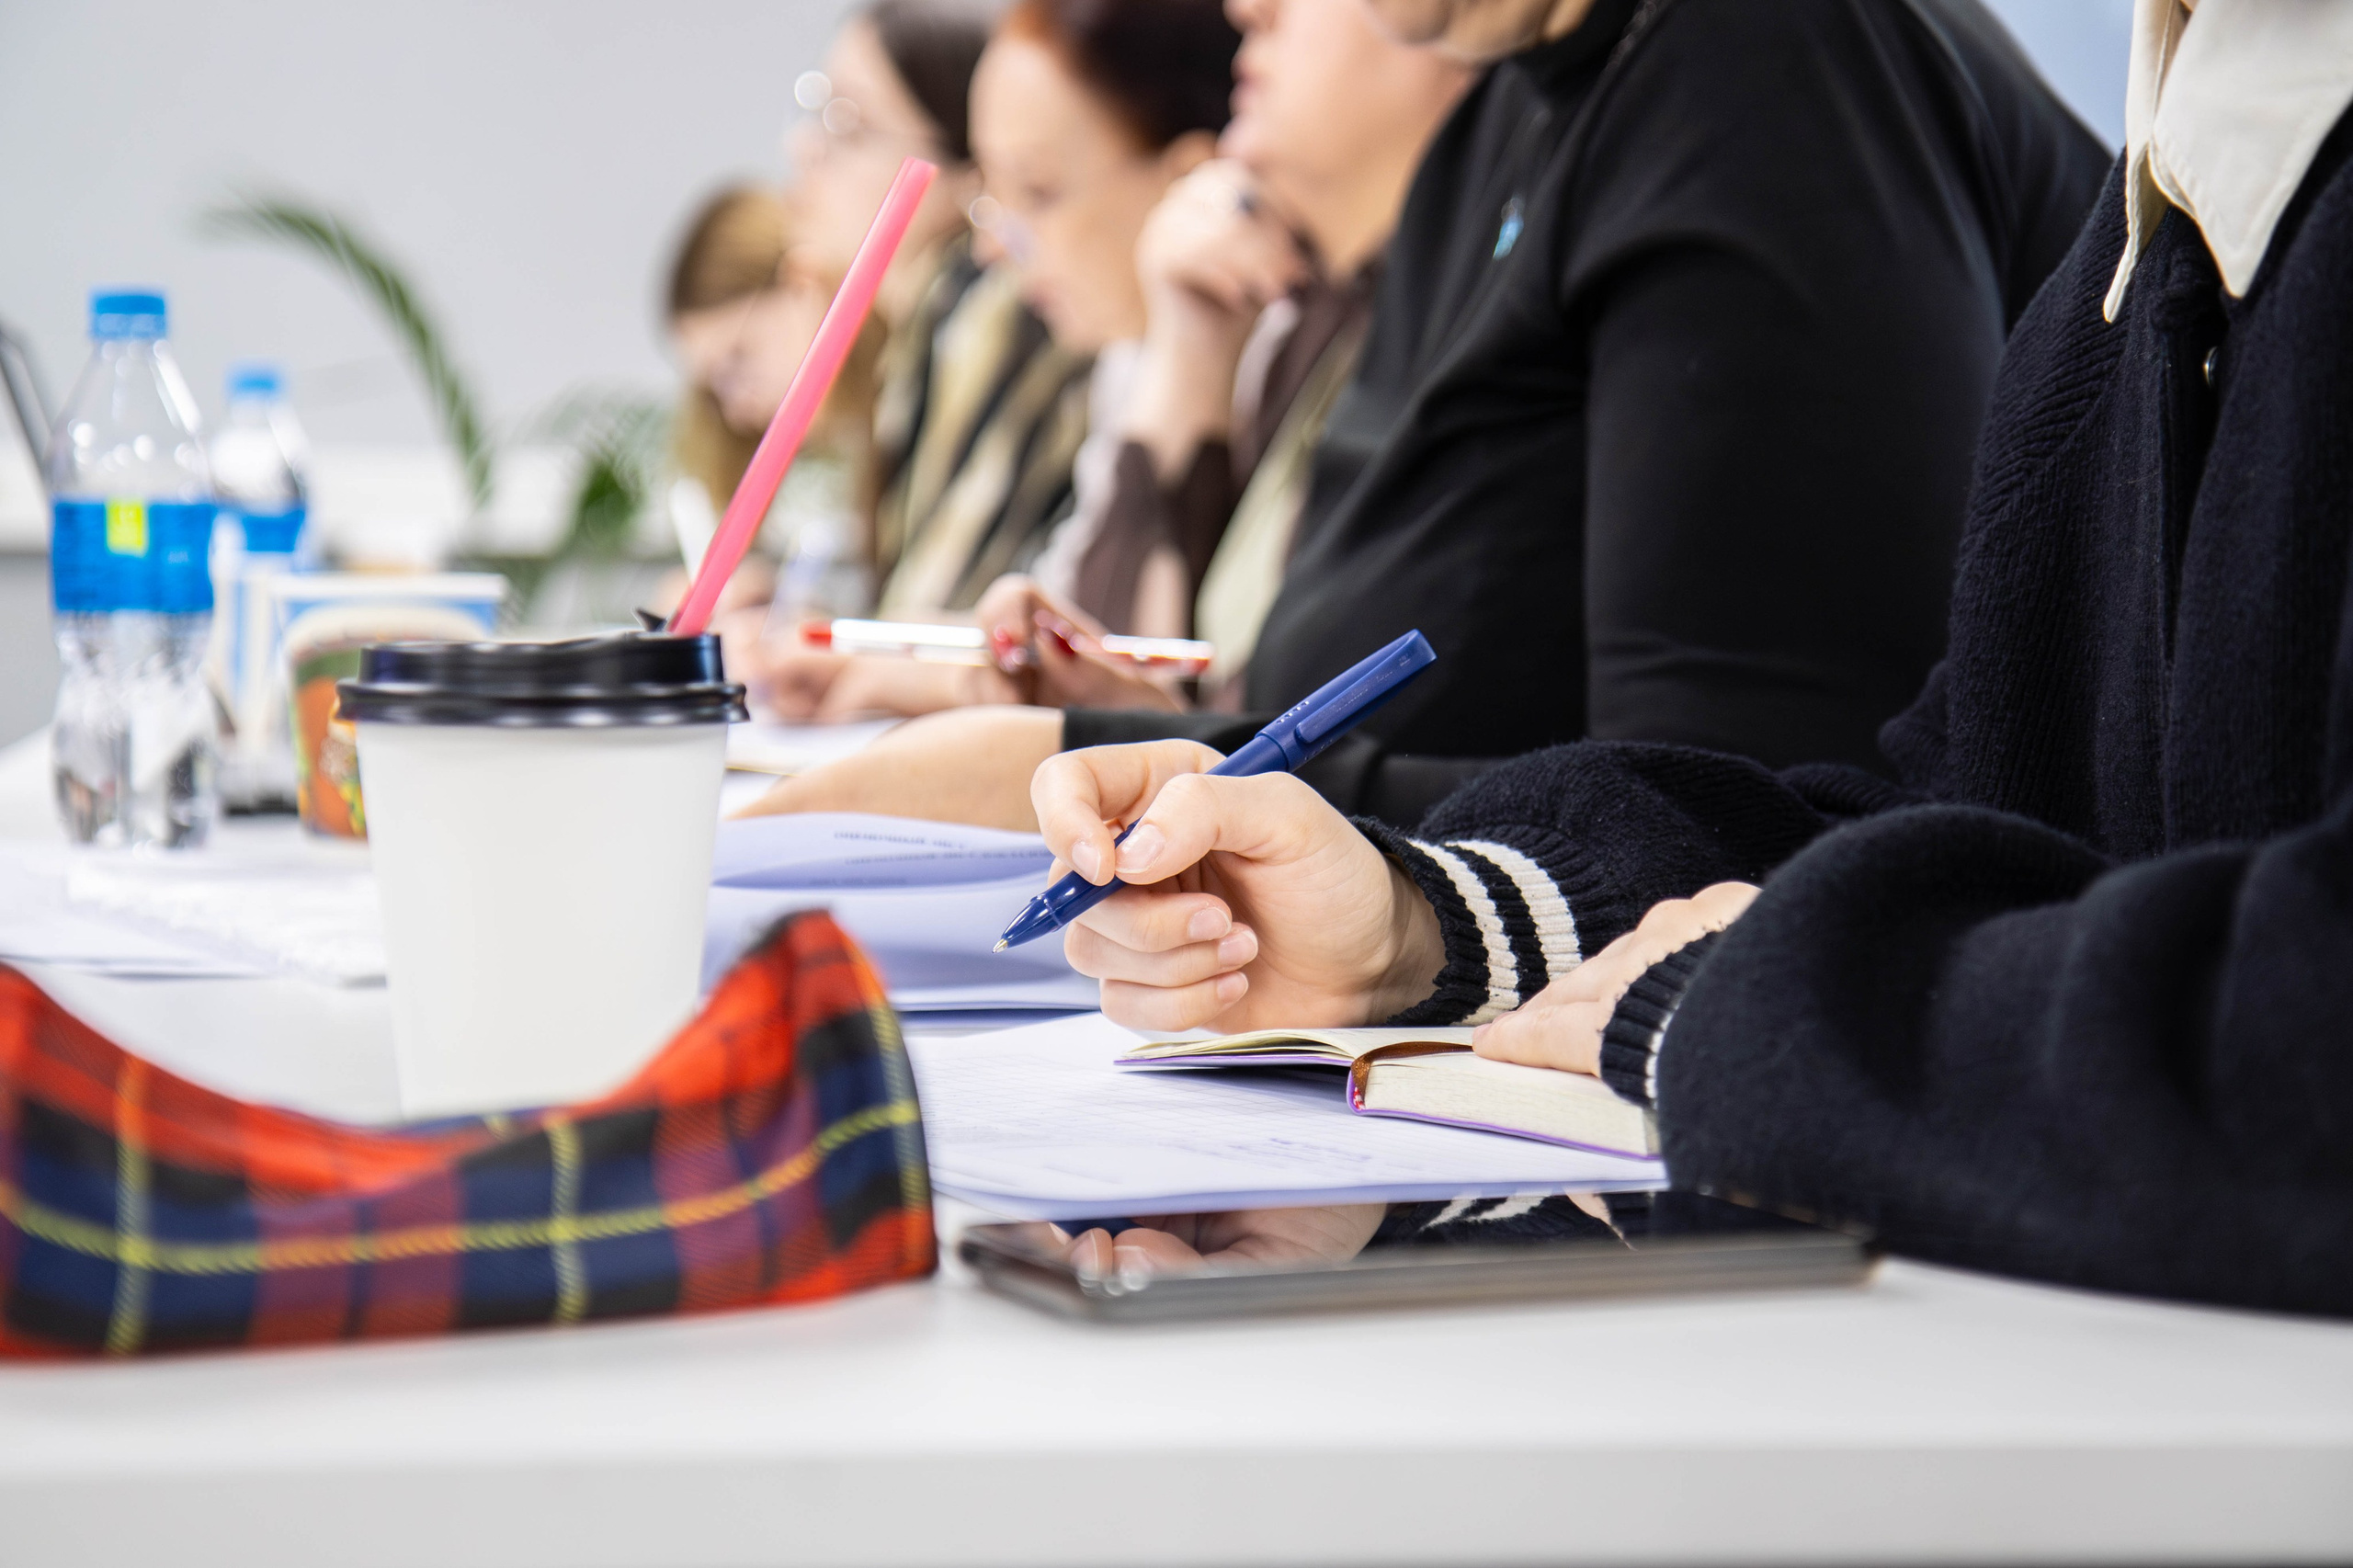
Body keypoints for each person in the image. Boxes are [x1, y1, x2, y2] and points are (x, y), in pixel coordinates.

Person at [1023, 0, 2353, 1315]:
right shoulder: (2157, 217)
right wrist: (1424, 926)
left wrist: (1766, 1007)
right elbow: (1955, 815)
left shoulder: (1782, 68)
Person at [744, 0, 2109, 830]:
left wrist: (1112, 768)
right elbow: (1434, 689)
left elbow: (1746, 810)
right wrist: (1186, 727)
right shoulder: (1500, 138)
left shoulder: (1762, 61)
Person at [741, 0, 1470, 730]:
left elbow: (1152, 695)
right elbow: (1106, 680)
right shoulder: (1173, 355)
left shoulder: (1318, 328)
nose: (993, 244)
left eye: (1039, 190)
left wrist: (1186, 359)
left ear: (1187, 174)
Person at [741, 0, 1245, 715]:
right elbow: (1074, 648)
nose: (801, 151)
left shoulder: (1002, 321)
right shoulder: (1122, 351)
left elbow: (1136, 687)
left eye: (848, 124)